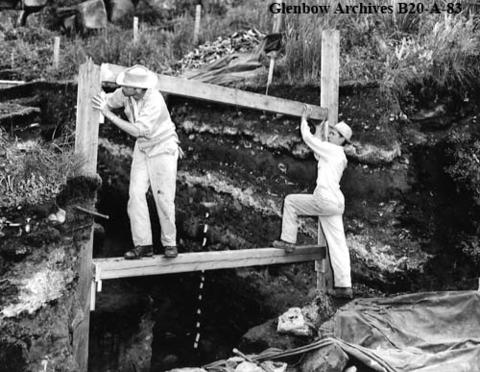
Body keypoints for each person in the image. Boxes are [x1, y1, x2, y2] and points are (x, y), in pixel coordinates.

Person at [92, 64, 180, 259]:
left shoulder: (154, 100)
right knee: (135, 195)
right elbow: (108, 100)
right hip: (143, 148)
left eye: (128, 86)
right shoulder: (124, 93)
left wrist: (108, 115)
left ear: (140, 89)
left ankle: (169, 243)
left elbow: (138, 130)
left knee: (163, 197)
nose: (123, 87)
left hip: (163, 148)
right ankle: (143, 245)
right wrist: (98, 97)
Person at [273, 105, 353, 298]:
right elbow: (318, 151)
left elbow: (309, 140)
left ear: (342, 140)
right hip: (335, 205)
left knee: (291, 201)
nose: (331, 135)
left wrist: (304, 120)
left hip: (325, 200)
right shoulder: (337, 155)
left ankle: (288, 241)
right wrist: (318, 130)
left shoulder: (332, 150)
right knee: (338, 244)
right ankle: (344, 287)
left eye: (335, 134)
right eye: (331, 132)